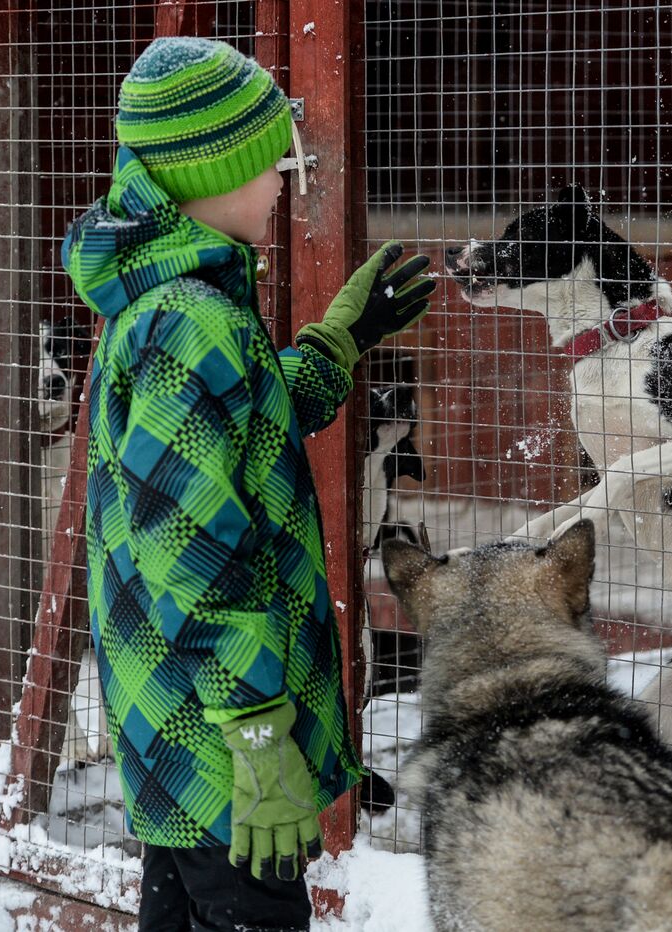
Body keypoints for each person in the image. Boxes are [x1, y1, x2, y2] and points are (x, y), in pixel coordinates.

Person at [62, 37, 434, 932]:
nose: (286, 176)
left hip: (182, 726)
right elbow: (193, 549)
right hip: (222, 741)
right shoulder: (189, 322)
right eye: (272, 158)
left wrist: (336, 345)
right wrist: (260, 733)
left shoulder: (174, 302)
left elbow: (237, 435)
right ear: (211, 171)